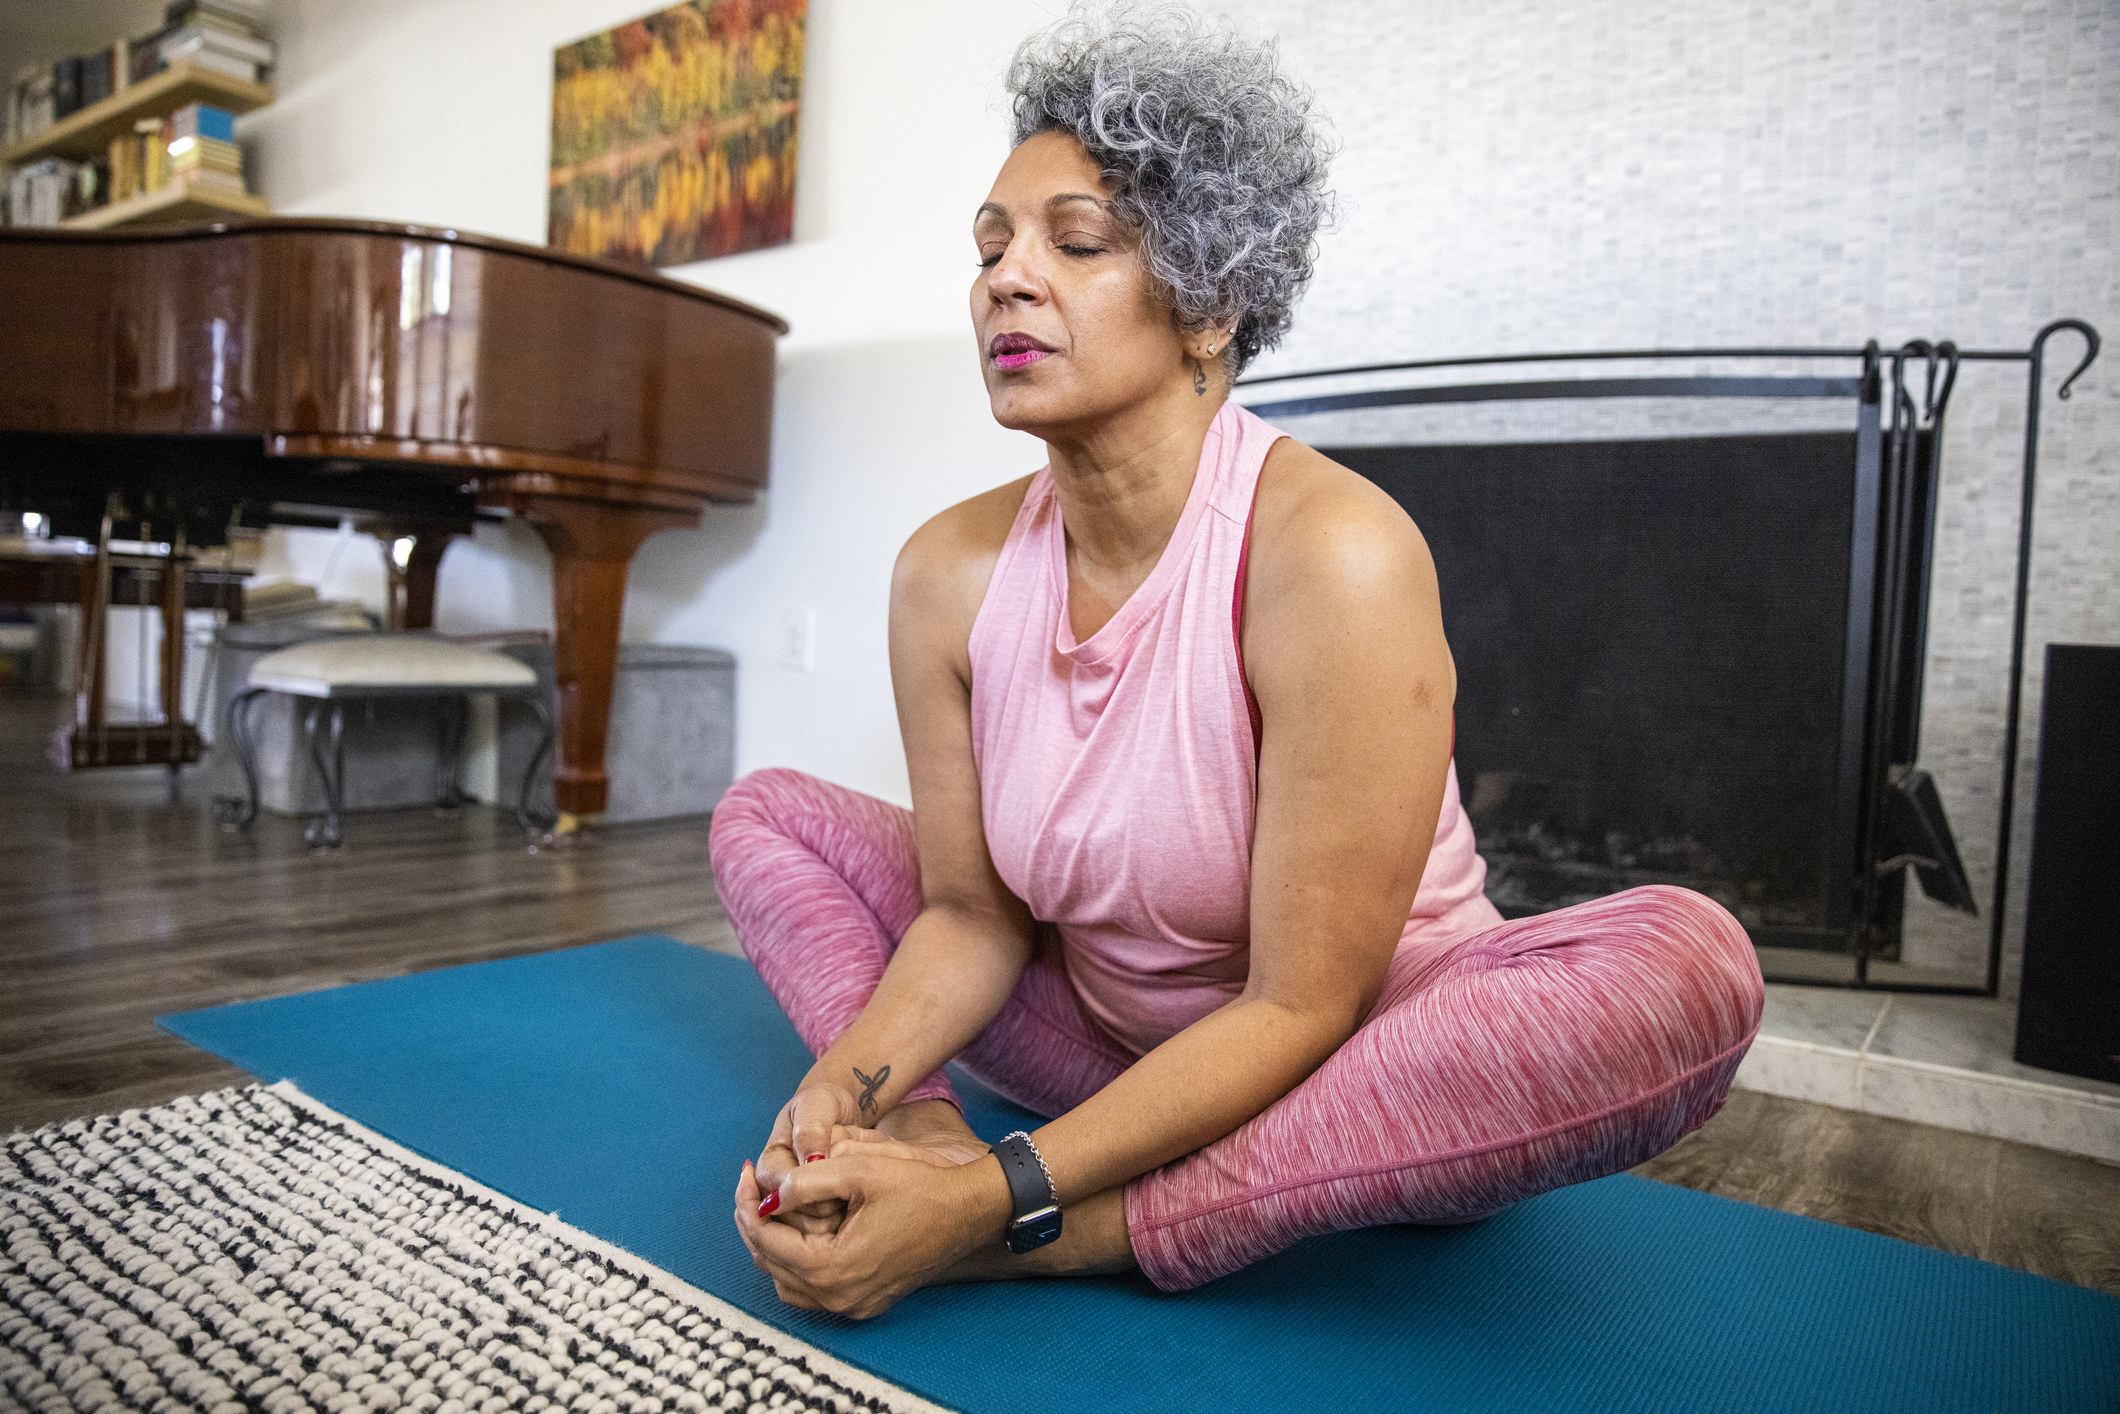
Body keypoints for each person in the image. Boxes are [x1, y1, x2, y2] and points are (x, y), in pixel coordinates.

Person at [714, 4, 1763, 1320]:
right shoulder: (946, 573)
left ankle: (1051, 1222)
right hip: (1102, 1050)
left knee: (1692, 962)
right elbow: (974, 916)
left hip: (1354, 1076)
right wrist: (848, 1097)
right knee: (767, 817)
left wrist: (999, 1202)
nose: (1004, 278)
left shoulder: (1337, 555)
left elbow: (1300, 1004)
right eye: (990, 246)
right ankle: (923, 1160)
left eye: (1073, 240)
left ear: (1211, 304)